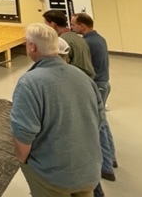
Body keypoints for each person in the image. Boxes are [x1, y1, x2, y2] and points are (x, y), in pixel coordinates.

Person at [11, 23, 103, 197]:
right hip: (89, 172)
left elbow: (23, 133)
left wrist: (23, 160)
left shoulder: (29, 83)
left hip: (52, 178)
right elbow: (99, 120)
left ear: (32, 47)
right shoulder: (83, 77)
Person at [71, 13, 118, 183]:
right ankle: (111, 158)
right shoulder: (100, 39)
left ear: (82, 26)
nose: (72, 28)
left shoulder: (88, 43)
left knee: (98, 126)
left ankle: (106, 167)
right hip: (103, 83)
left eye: (74, 25)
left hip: (97, 86)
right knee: (103, 123)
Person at [43, 10, 95, 78]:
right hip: (86, 78)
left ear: (52, 25)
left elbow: (61, 67)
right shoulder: (78, 37)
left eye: (45, 23)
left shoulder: (62, 41)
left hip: (75, 78)